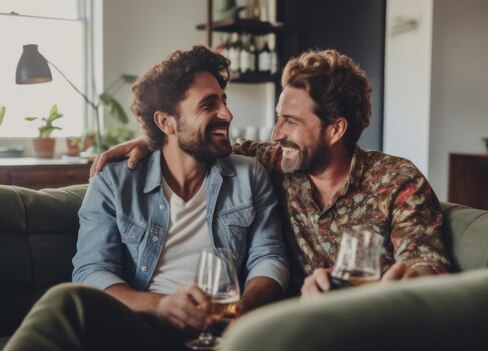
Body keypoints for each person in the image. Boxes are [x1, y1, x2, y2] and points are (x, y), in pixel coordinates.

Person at [91, 49, 450, 299]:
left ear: (336, 130)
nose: (277, 133)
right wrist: (152, 138)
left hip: (373, 323)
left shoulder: (396, 180)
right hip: (294, 324)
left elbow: (425, 262)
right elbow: (198, 138)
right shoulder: (275, 162)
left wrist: (411, 278)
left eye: (290, 122)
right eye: (278, 117)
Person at [5, 45, 288, 351]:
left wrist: (242, 309)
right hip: (145, 327)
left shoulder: (250, 174)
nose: (227, 114)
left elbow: (269, 257)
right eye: (208, 104)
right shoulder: (115, 182)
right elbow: (92, 272)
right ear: (166, 122)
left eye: (224, 100)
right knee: (64, 299)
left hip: (225, 329)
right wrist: (161, 305)